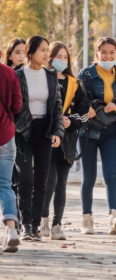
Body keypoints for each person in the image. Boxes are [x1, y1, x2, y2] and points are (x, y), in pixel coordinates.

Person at [78, 37, 116, 235]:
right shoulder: (86, 74)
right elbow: (76, 98)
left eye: (112, 52)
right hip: (88, 131)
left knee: (111, 175)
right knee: (89, 177)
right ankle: (87, 218)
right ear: (97, 53)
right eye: (104, 52)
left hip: (112, 129)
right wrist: (88, 108)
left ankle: (114, 216)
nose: (108, 56)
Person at [15, 35, 64, 241]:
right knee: (25, 178)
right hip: (22, 130)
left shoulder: (51, 76)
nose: (46, 54)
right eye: (42, 50)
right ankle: (25, 224)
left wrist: (58, 131)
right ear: (30, 51)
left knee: (42, 181)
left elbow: (57, 106)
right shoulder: (17, 75)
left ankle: (35, 225)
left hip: (45, 130)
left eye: (47, 50)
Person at [40, 42, 90, 240]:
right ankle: (43, 219)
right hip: (46, 137)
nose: (61, 60)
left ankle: (57, 224)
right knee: (48, 181)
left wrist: (73, 121)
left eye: (64, 57)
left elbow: (85, 113)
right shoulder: (42, 79)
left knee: (61, 183)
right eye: (57, 56)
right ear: (50, 57)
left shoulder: (75, 83)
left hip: (67, 141)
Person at [0, 62, 22, 252]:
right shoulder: (9, 73)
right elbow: (17, 106)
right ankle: (12, 231)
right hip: (5, 135)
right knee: (5, 185)